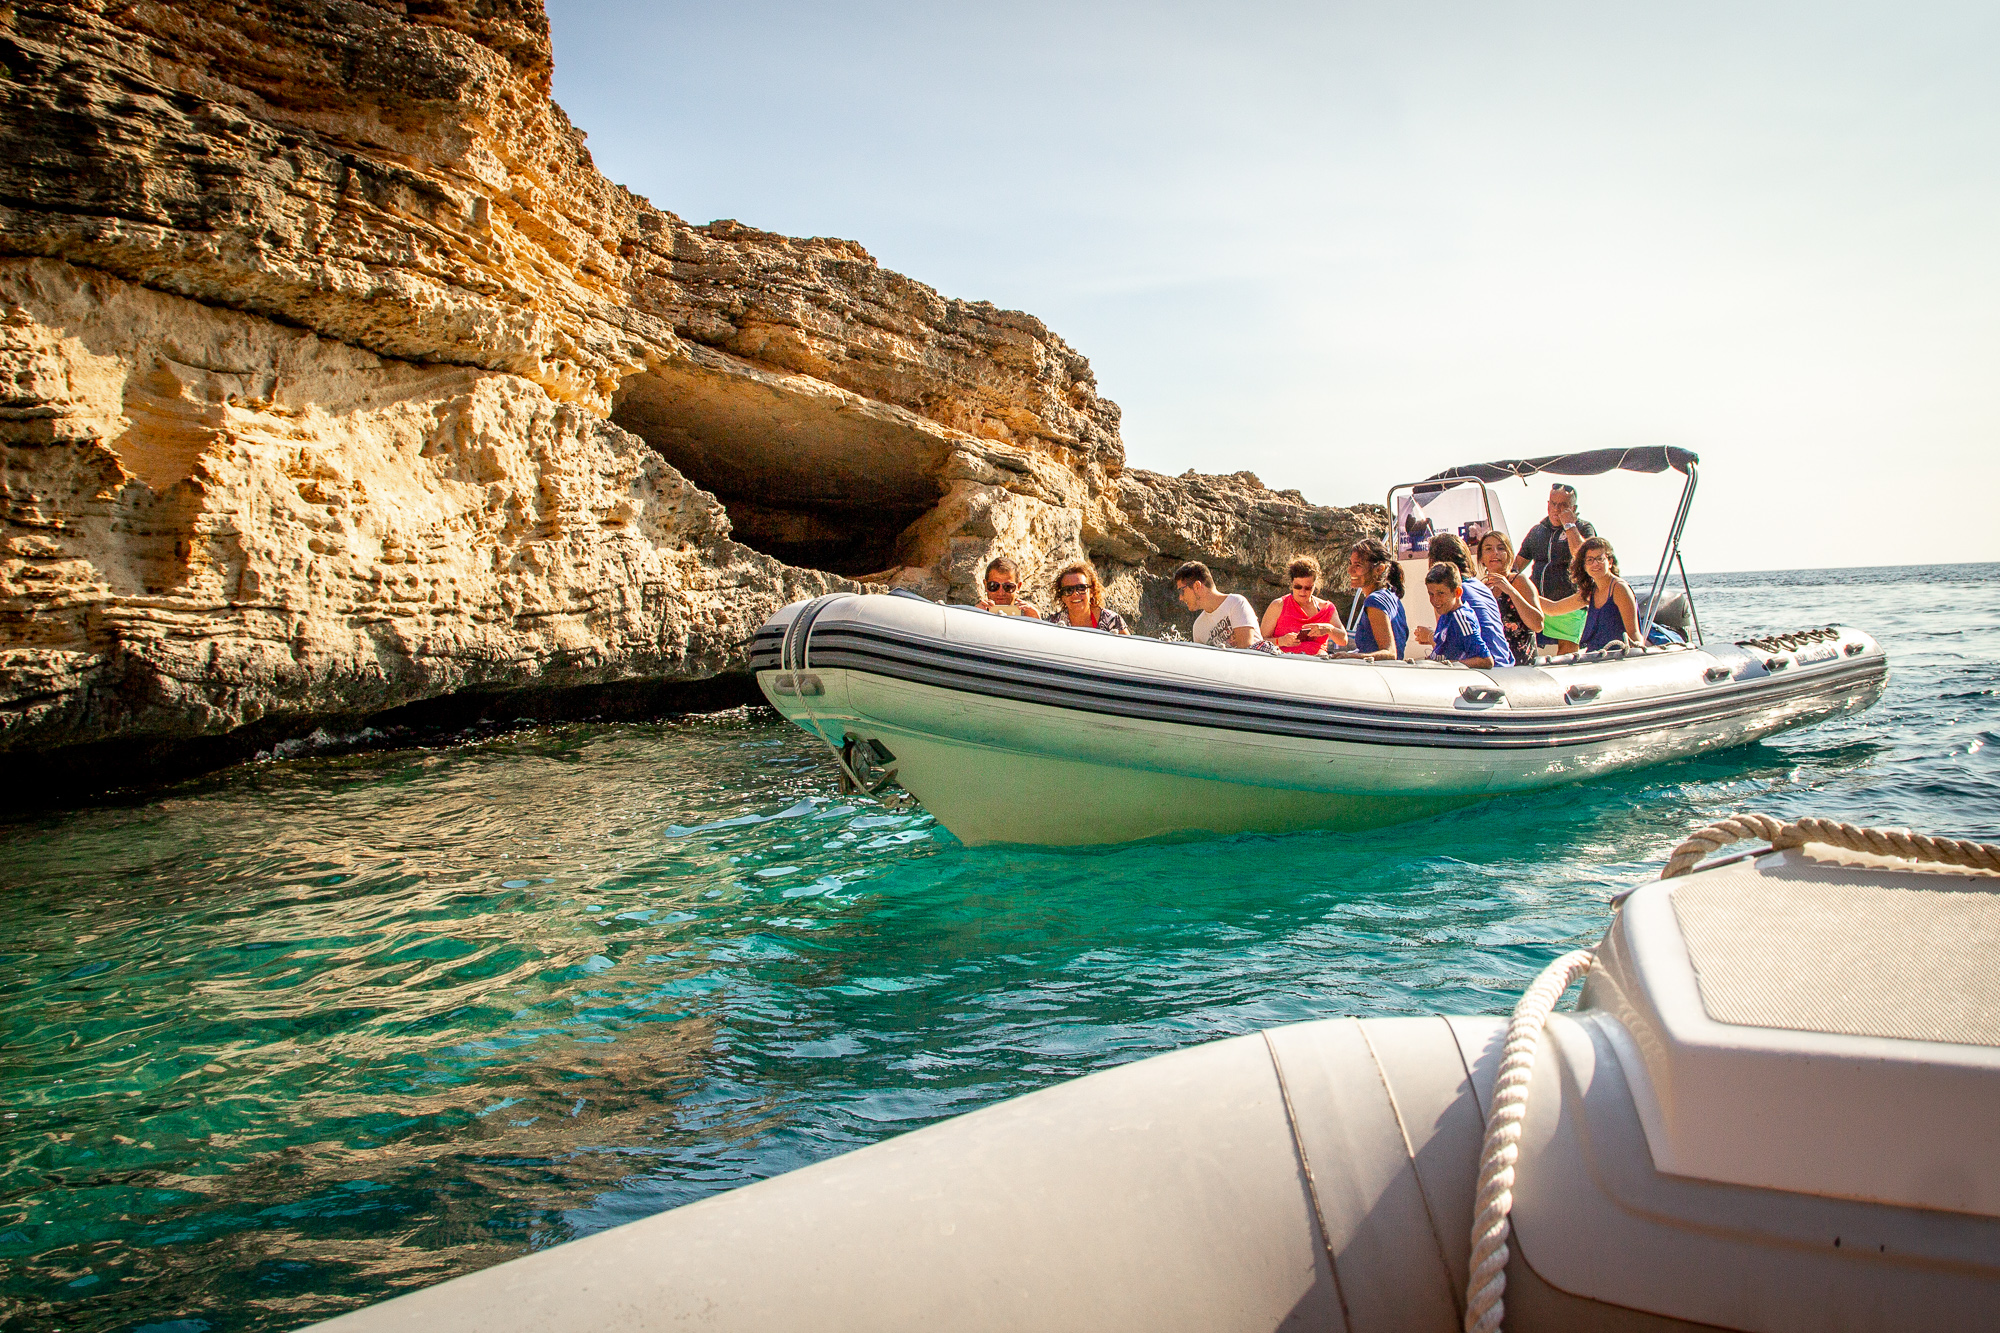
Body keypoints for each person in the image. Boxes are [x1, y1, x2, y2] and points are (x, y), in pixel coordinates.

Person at [1512, 483, 1596, 652]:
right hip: (1539, 603)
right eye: (1553, 503)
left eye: (1563, 505)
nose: (1557, 509)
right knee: (1530, 649)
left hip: (1569, 605)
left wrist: (1570, 526)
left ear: (1573, 508)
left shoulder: (1584, 528)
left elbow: (1584, 556)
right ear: (1548, 504)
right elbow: (1517, 566)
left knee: (1567, 655)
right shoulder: (1537, 531)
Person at [1424, 533, 1514, 667]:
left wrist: (1428, 636)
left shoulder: (1452, 595)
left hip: (1484, 667)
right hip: (1504, 664)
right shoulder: (1481, 587)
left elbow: (1446, 644)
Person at [1540, 536, 1641, 651]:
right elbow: (1553, 609)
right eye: (1590, 560)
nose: (1595, 564)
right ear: (1584, 565)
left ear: (1610, 562)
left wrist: (1637, 652)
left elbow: (1634, 633)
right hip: (1595, 655)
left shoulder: (1619, 588)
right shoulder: (1591, 591)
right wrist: (1525, 592)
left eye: (1600, 559)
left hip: (1617, 655)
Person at [1477, 530, 1543, 666]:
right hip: (1495, 666)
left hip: (1523, 666)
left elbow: (1537, 624)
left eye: (1501, 548)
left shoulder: (1519, 581)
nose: (1495, 553)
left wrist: (1510, 591)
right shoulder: (1482, 589)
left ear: (1509, 555)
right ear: (1481, 558)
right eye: (1488, 549)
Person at [1415, 565, 1502, 668]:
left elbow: (1486, 661)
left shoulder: (1461, 619)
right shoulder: (1445, 614)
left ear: (1457, 592)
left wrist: (1448, 665)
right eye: (1431, 594)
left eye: (1441, 593)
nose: (1435, 600)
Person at [1337, 538, 1408, 661]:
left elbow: (1390, 653)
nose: (1350, 570)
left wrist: (1349, 656)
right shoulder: (1392, 597)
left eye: (1358, 565)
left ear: (1379, 569)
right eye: (1351, 564)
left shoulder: (1374, 601)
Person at [1260, 556, 1347, 654]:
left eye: (1308, 588)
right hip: (1285, 660)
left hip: (1317, 661)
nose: (1302, 592)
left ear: (1314, 585)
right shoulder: (1278, 605)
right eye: (1298, 587)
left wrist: (1328, 629)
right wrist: (1281, 641)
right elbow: (1260, 641)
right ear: (1291, 584)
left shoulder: (1327, 609)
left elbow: (1343, 640)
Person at [1173, 561, 1264, 649]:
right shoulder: (1198, 627)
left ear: (1197, 586)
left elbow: (1246, 650)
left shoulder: (1236, 603)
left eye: (1182, 590)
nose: (1180, 598)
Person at [1051, 561, 1129, 633]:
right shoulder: (1053, 624)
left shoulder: (1112, 621)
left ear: (1091, 592)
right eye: (1068, 590)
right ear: (1062, 597)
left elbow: (1129, 643)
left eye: (1081, 588)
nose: (1075, 593)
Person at [976, 555, 1041, 618]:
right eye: (993, 586)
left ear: (1018, 587)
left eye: (1008, 586)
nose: (1001, 593)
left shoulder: (1029, 616)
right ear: (985, 585)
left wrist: (1036, 621)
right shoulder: (977, 614)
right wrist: (975, 617)